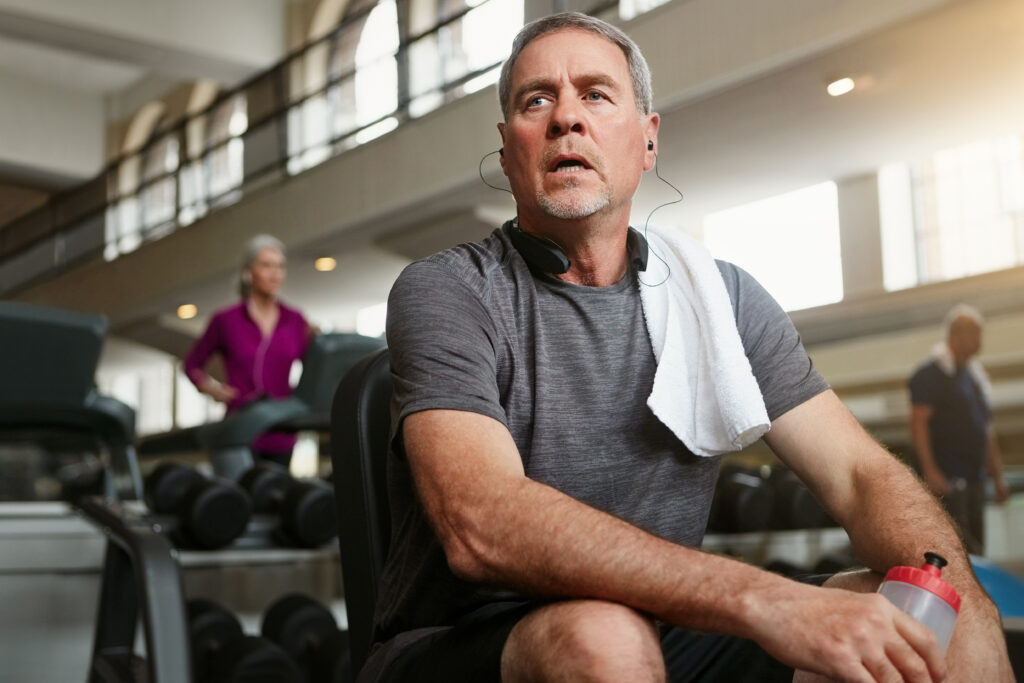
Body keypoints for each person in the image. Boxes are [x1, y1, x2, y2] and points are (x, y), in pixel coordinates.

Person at [370, 13, 1012, 682]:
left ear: (648, 140)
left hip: (662, 632)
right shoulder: (450, 290)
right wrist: (764, 599)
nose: (566, 117)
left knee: (936, 622)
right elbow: (481, 522)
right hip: (462, 646)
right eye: (537, 100)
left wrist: (961, 596)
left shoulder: (720, 301)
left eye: (595, 93)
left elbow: (858, 476)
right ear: (508, 152)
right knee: (602, 635)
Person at [184, 234, 312, 468]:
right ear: (248, 272)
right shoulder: (226, 320)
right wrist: (213, 390)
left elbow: (314, 369)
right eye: (266, 265)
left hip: (281, 430)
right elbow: (191, 365)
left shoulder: (295, 320)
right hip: (239, 430)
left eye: (280, 266)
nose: (275, 273)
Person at [909, 304, 1009, 555]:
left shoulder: (974, 378)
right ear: (955, 336)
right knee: (958, 551)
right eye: (974, 334)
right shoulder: (930, 375)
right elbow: (918, 423)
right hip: (949, 480)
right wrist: (930, 471)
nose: (979, 341)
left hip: (975, 478)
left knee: (977, 550)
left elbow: (985, 430)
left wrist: (997, 477)